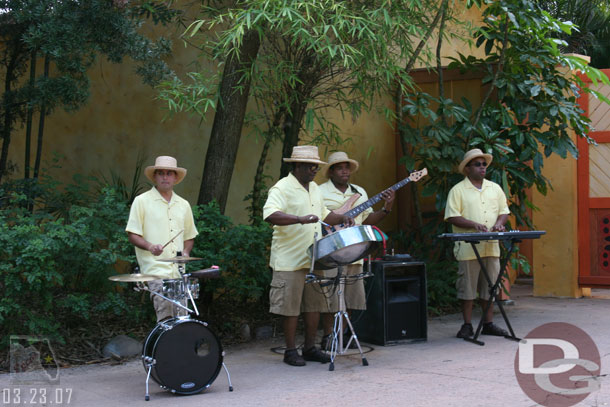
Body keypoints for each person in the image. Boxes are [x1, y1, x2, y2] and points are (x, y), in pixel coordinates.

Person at [263, 145, 354, 367]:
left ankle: (310, 348)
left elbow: (325, 216)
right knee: (291, 308)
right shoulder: (282, 187)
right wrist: (299, 219)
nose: (314, 170)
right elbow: (270, 214)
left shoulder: (314, 188)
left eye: (316, 166)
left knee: (314, 305)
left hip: (314, 258)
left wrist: (343, 218)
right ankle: (291, 351)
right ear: (297, 166)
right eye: (309, 166)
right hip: (289, 260)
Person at [318, 151, 395, 349]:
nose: (345, 171)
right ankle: (328, 337)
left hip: (355, 252)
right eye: (340, 167)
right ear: (331, 172)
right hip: (331, 250)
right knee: (330, 297)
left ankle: (342, 335)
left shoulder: (359, 191)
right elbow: (319, 219)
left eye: (347, 167)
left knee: (351, 297)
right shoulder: (319, 191)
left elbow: (367, 220)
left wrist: (386, 208)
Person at [444, 148, 510, 338]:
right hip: (468, 248)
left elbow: (504, 211)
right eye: (477, 164)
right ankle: (466, 326)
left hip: (491, 247)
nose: (482, 168)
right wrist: (473, 225)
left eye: (484, 164)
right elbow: (452, 216)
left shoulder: (494, 188)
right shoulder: (458, 190)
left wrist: (499, 225)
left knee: (490, 287)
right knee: (467, 288)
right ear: (467, 169)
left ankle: (488, 323)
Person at [126, 155, 198, 322]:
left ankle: (180, 348)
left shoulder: (183, 204)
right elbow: (133, 234)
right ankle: (166, 348)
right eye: (161, 173)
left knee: (182, 318)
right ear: (155, 177)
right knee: (165, 317)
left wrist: (186, 252)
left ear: (175, 177)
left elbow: (189, 236)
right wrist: (150, 247)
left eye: (169, 173)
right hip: (155, 271)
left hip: (178, 272)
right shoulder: (142, 201)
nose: (165, 177)